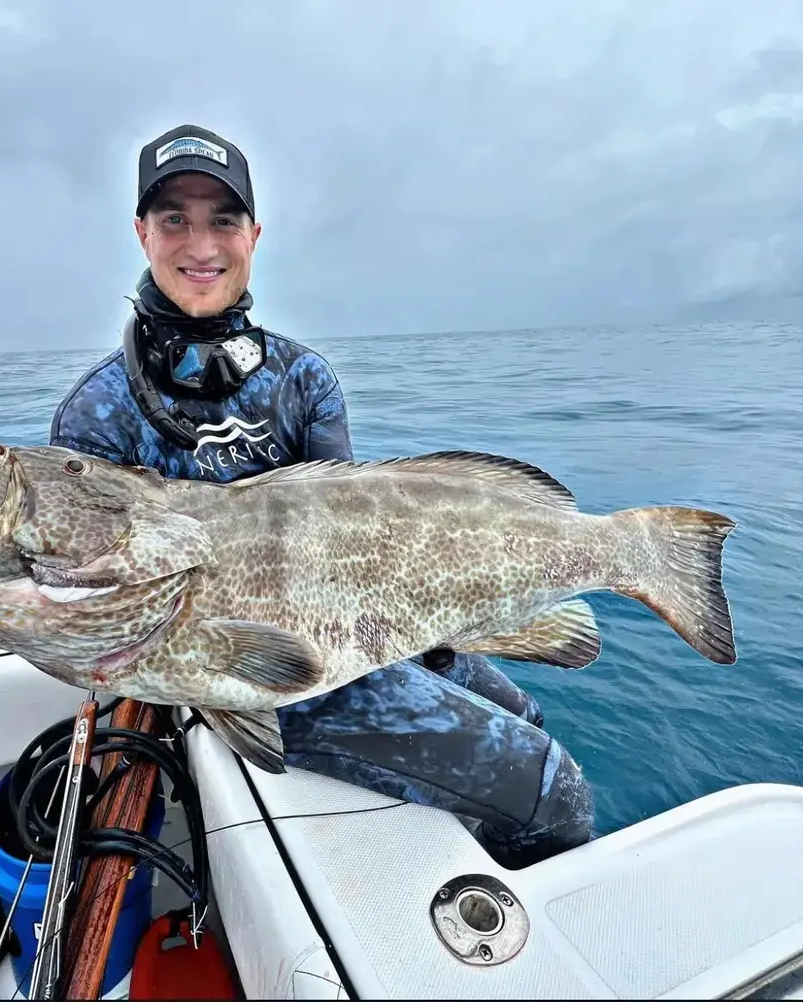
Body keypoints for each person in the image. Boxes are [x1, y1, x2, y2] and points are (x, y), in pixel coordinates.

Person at [49, 123, 594, 866]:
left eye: (223, 220)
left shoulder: (305, 379)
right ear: (143, 233)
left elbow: (355, 534)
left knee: (525, 711)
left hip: (344, 634)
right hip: (242, 672)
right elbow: (89, 601)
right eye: (175, 218)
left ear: (254, 235)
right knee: (556, 793)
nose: (201, 244)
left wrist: (436, 604)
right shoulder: (97, 414)